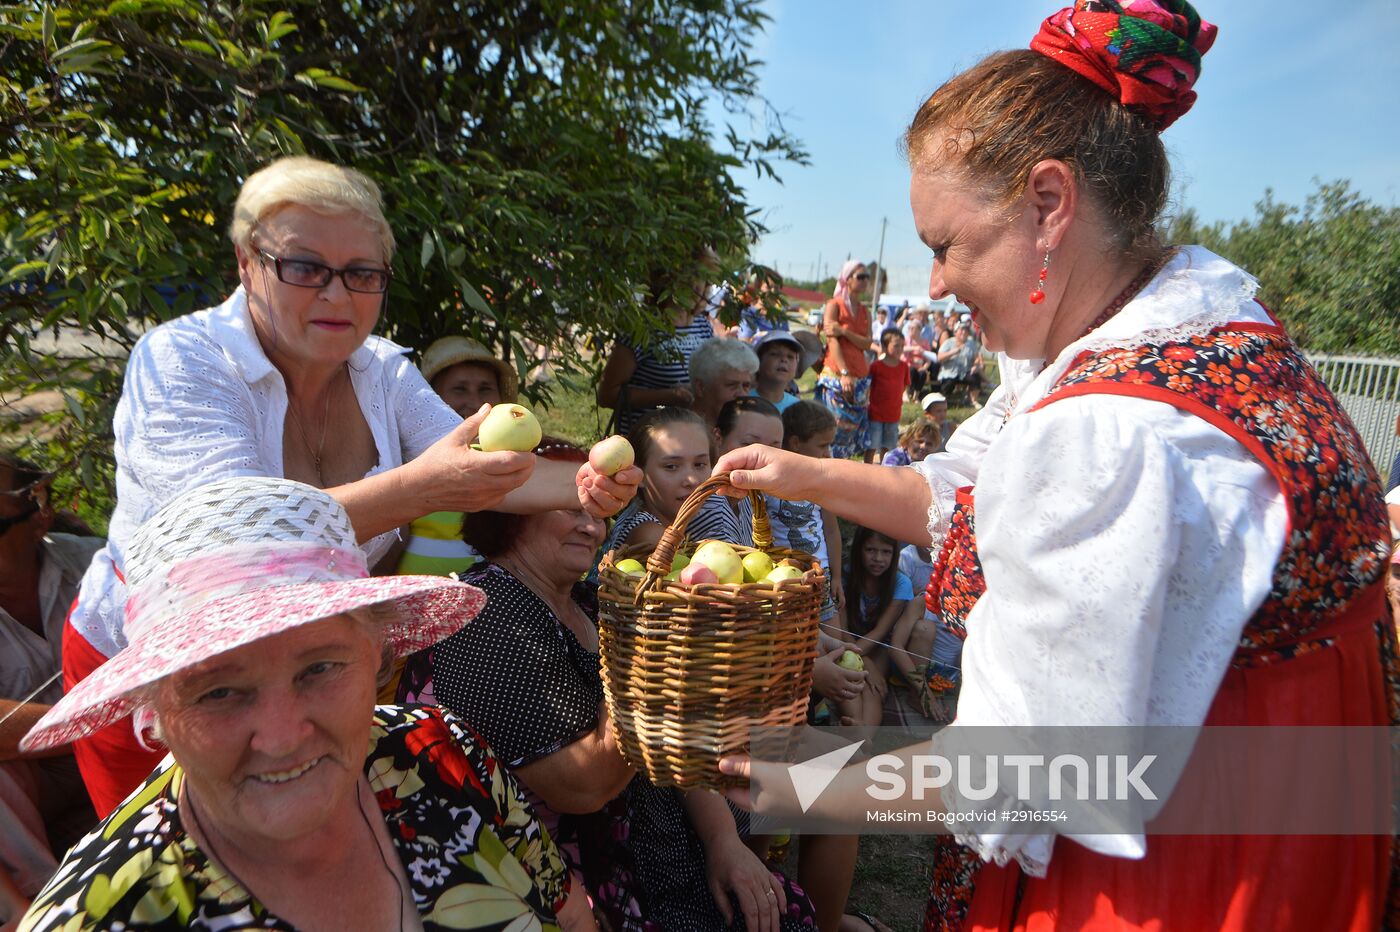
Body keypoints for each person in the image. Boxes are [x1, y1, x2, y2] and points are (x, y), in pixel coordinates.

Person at [715, 3, 1395, 927]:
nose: (940, 284)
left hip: (1180, 876)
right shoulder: (1202, 329)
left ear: (1048, 202)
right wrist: (804, 476)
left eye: (945, 246)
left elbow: (1037, 773)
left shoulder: (1105, 429)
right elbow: (969, 502)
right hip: (1298, 822)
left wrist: (798, 780)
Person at [60, 155, 640, 820]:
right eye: (305, 267)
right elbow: (235, 538)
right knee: (174, 861)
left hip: (311, 659)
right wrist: (419, 491)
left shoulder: (383, 372)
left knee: (301, 841)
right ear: (247, 265)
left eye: (361, 274)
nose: (337, 295)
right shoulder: (182, 360)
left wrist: (588, 484)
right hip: (171, 670)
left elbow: (489, 476)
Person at [17, 476, 569, 931]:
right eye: (218, 692)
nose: (281, 737)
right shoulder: (98, 916)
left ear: (377, 659)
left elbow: (567, 915)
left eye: (320, 668)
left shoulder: (438, 748)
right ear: (154, 711)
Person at [397, 441, 818, 932]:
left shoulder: (593, 599)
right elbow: (583, 786)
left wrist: (724, 842)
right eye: (569, 507)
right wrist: (662, 654)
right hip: (573, 885)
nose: (591, 525)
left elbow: (672, 743)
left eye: (599, 513)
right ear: (510, 513)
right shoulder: (484, 615)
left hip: (661, 840)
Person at [0, 454, 101, 924]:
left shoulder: (99, 569)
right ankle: (50, 911)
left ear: (38, 509)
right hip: (43, 775)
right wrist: (87, 724)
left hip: (129, 745)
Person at [395, 335, 520, 578]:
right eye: (459, 389)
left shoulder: (515, 461)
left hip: (494, 608)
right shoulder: (409, 459)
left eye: (485, 389)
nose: (474, 402)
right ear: (431, 398)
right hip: (415, 603)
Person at [597, 254, 718, 435]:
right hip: (645, 440)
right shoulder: (643, 326)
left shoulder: (702, 324)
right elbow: (607, 395)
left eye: (704, 278)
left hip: (686, 437)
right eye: (694, 278)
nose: (701, 286)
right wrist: (668, 397)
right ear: (670, 281)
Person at [601, 408, 713, 559]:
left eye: (699, 464)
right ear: (639, 474)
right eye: (671, 466)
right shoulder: (650, 535)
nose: (692, 480)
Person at [833, 527, 910, 727]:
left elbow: (880, 632)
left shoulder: (901, 583)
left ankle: (862, 736)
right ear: (859, 549)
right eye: (870, 550)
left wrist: (869, 664)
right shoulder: (844, 578)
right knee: (856, 683)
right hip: (848, 641)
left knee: (873, 689)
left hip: (879, 646)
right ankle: (859, 730)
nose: (878, 558)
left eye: (886, 552)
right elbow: (843, 630)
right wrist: (865, 662)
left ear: (895, 555)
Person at [816, 262, 875, 460]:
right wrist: (844, 372)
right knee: (835, 428)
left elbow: (867, 343)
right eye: (860, 276)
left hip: (860, 376)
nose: (865, 280)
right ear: (847, 279)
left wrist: (844, 331)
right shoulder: (834, 305)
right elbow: (832, 339)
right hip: (838, 373)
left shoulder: (865, 311)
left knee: (851, 433)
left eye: (867, 276)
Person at [689, 338, 759, 430]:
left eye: (746, 386)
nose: (742, 394)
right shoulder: (678, 432)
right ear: (701, 387)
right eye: (731, 385)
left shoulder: (748, 431)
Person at [865, 329, 910, 463]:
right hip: (876, 413)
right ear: (884, 346)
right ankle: (866, 468)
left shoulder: (904, 367)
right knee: (872, 444)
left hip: (893, 413)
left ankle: (886, 467)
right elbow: (868, 386)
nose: (900, 349)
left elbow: (905, 385)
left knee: (888, 445)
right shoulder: (876, 366)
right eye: (896, 345)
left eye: (902, 346)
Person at [750, 330, 805, 414]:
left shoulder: (797, 408)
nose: (784, 360)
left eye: (790, 357)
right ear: (758, 360)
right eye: (775, 354)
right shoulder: (745, 401)